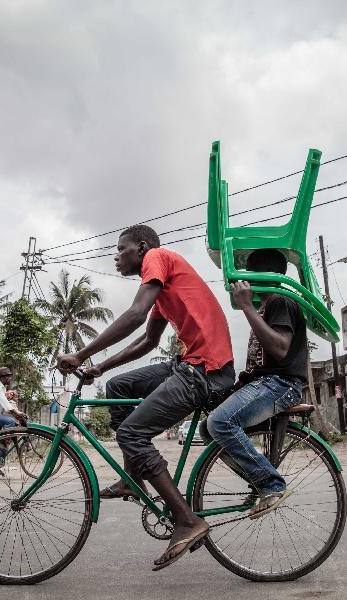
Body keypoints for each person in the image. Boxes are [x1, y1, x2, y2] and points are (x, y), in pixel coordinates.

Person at [57, 224, 235, 571]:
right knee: (118, 388)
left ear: (141, 248)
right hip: (188, 364)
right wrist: (101, 367)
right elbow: (148, 341)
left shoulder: (158, 257)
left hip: (205, 370)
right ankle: (132, 479)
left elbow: (135, 314)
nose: (116, 255)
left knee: (131, 434)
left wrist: (81, 354)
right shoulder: (164, 287)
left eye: (121, 248)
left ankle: (186, 520)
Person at [202, 249, 307, 519]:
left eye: (249, 275)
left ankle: (270, 483)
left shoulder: (281, 301)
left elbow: (281, 349)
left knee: (220, 423)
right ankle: (258, 479)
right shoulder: (268, 305)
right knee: (207, 429)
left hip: (280, 384)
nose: (244, 282)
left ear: (263, 275)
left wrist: (247, 307)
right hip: (265, 382)